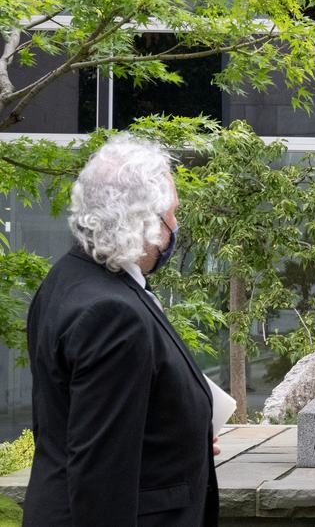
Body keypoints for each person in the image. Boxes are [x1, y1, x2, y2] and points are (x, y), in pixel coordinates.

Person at [23, 135, 220, 525]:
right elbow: (102, 475)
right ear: (144, 221)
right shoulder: (112, 313)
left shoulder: (68, 277)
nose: (176, 227)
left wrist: (186, 432)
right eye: (171, 216)